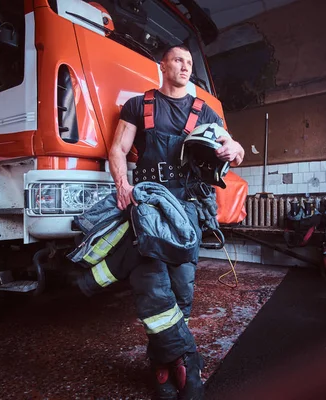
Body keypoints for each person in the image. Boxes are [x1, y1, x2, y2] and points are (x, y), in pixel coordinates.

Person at [109, 44, 244, 399]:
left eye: (189, 62)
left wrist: (233, 149)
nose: (185, 66)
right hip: (151, 204)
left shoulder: (205, 111)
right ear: (163, 66)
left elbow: (236, 148)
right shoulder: (139, 105)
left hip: (186, 207)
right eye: (178, 60)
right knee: (154, 285)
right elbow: (118, 149)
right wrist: (123, 186)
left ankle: (163, 359)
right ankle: (185, 364)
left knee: (182, 290)